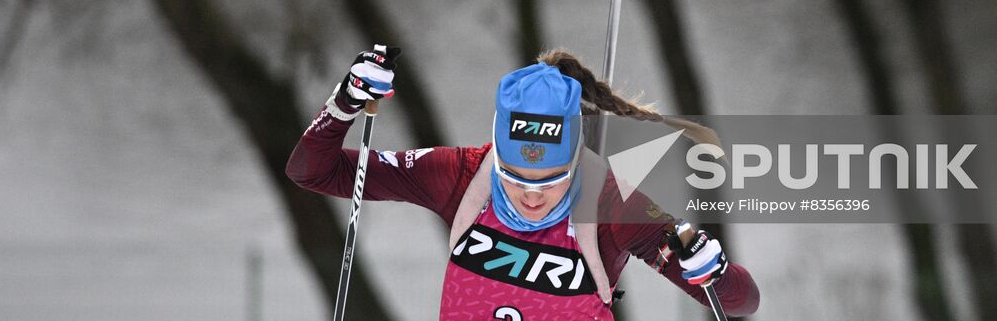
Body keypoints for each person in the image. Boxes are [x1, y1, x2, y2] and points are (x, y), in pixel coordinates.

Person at [288, 46, 759, 319]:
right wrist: (345, 102)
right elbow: (312, 171)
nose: (533, 195)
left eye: (552, 181)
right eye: (514, 179)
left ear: (575, 158)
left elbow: (739, 302)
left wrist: (712, 269)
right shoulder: (461, 174)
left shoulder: (612, 202)